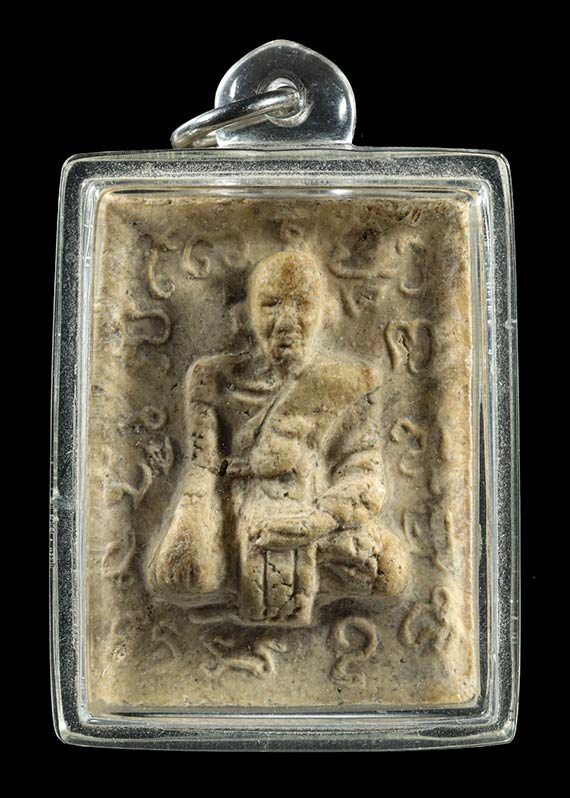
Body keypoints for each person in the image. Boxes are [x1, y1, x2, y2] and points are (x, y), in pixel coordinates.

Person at [146, 251, 408, 626]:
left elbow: (364, 474)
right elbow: (202, 468)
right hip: (236, 513)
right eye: (270, 305)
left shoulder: (356, 382)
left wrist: (319, 519)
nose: (286, 322)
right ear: (246, 314)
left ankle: (293, 589)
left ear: (325, 312)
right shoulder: (211, 378)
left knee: (391, 572)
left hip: (318, 517)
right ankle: (233, 585)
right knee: (182, 573)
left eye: (302, 306)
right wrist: (195, 531)